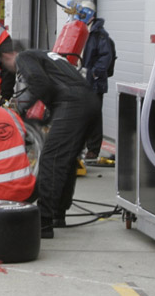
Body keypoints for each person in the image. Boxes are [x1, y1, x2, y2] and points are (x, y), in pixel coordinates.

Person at [12, 48, 102, 239]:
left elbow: (41, 85)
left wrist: (25, 112)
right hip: (90, 101)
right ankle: (57, 215)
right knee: (67, 161)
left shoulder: (23, 56)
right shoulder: (48, 55)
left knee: (52, 159)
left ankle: (43, 221)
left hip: (72, 102)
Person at [78, 0, 114, 160]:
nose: (81, 16)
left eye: (84, 13)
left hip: (94, 82)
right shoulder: (76, 29)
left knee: (93, 116)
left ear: (91, 15)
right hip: (77, 80)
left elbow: (106, 57)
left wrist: (93, 73)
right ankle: (79, 147)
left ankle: (93, 149)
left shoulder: (100, 35)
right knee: (78, 115)